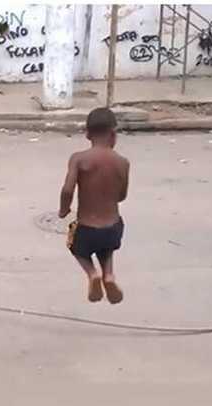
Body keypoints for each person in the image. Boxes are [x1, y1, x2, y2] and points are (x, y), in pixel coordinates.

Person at [59, 107, 130, 304]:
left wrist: (63, 210)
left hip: (86, 229)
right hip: (113, 229)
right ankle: (108, 274)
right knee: (106, 248)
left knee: (75, 246)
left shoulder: (79, 159)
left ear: (88, 133)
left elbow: (67, 189)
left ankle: (92, 274)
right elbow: (122, 196)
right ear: (113, 135)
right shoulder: (123, 162)